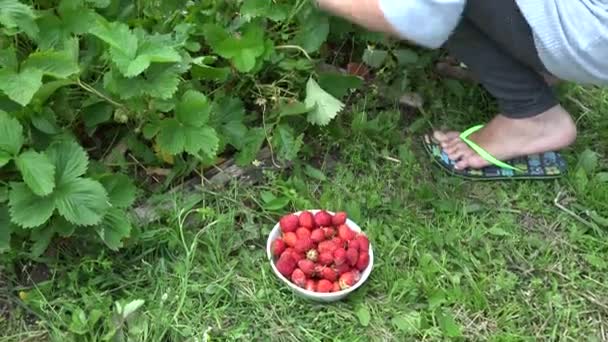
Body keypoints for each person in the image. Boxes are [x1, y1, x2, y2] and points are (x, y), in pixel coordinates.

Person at [314, 0, 608, 174]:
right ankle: (532, 63)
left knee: (446, 6)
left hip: (595, 35)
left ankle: (531, 115)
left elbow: (420, 17)